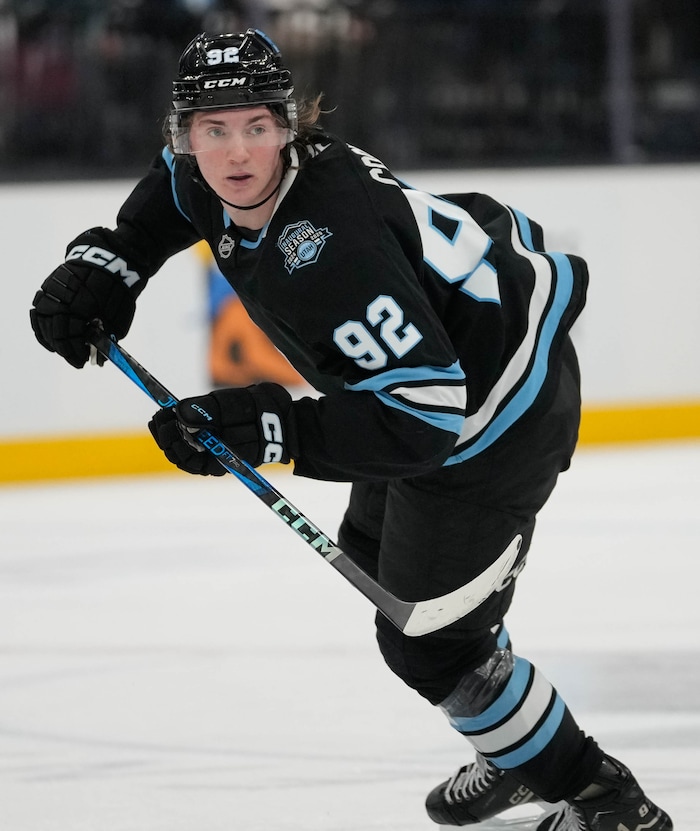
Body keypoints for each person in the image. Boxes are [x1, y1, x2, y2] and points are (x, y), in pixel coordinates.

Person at [30, 28, 673, 830]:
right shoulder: (206, 175)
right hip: (433, 386)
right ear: (183, 134)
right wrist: (116, 257)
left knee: (427, 641)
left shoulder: (333, 244)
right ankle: (513, 739)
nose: (237, 153)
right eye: (213, 129)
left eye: (257, 127)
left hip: (493, 416)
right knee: (375, 553)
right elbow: (169, 190)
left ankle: (604, 797)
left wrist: (269, 426)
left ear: (288, 125)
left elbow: (425, 420)